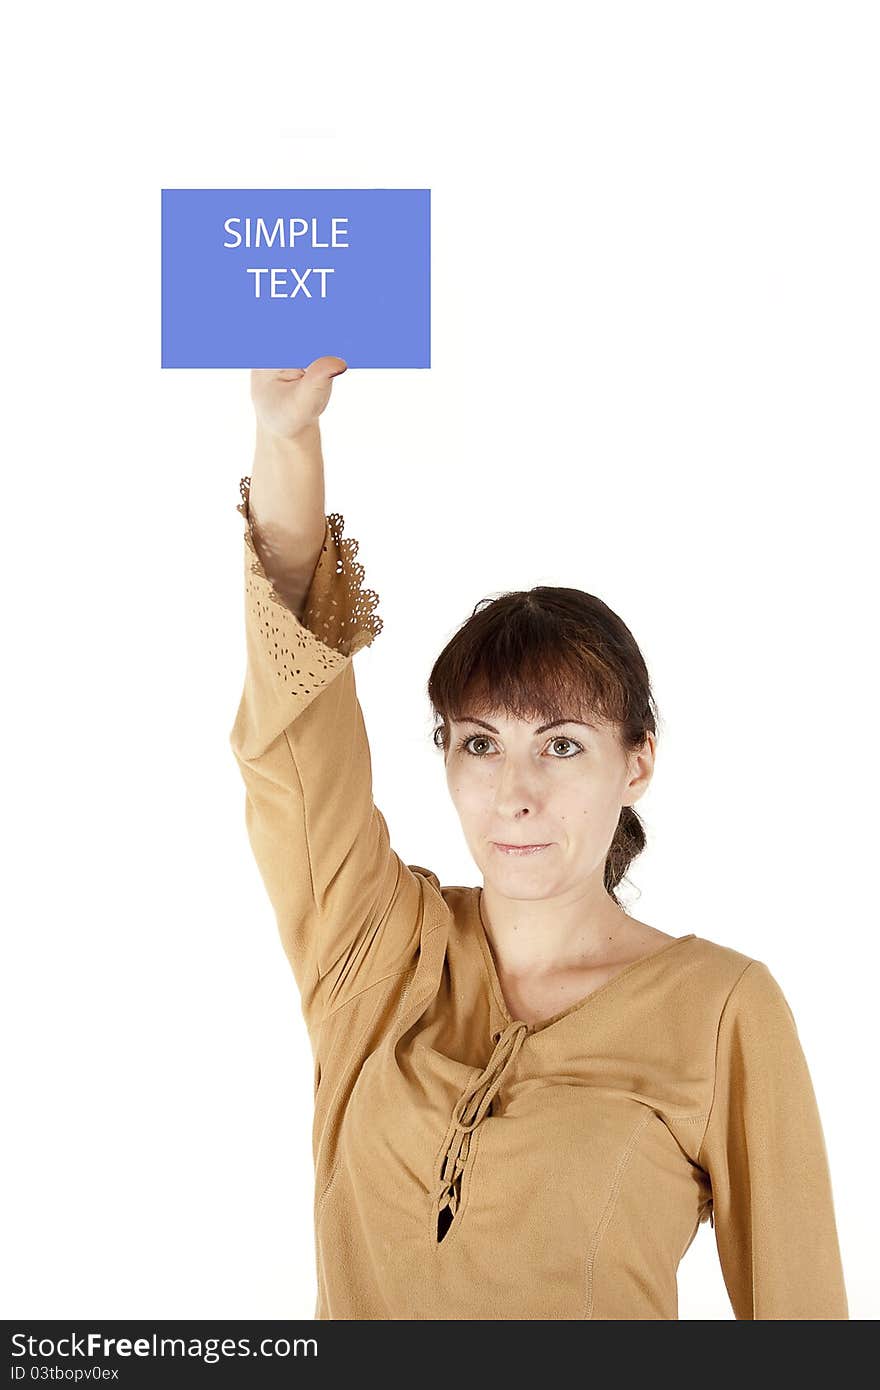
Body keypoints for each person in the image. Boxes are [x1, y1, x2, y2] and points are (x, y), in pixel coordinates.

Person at [229, 358, 849, 1321]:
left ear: (636, 762)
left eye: (561, 746)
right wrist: (286, 437)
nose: (514, 792)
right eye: (481, 743)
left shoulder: (723, 1009)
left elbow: (801, 1321)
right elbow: (294, 731)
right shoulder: (375, 950)